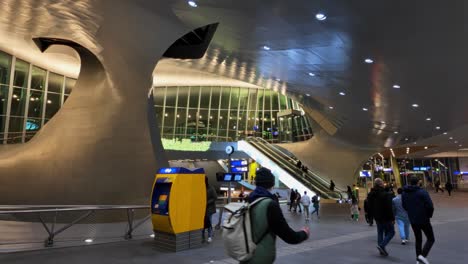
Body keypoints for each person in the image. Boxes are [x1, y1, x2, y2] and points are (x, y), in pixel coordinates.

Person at [243, 167, 309, 263]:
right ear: (271, 184)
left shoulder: (248, 200)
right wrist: (304, 233)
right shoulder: (270, 205)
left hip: (244, 254)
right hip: (260, 258)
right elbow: (288, 236)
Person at [403, 175, 435, 264]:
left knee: (418, 239)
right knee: (431, 238)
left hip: (413, 219)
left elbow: (404, 206)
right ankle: (422, 256)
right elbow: (430, 206)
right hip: (424, 219)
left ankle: (418, 259)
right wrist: (428, 215)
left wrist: (411, 213)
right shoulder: (422, 192)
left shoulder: (404, 193)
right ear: (418, 182)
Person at [368, 178, 395, 257]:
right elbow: (388, 207)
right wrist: (392, 218)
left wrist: (372, 215)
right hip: (386, 217)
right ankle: (382, 246)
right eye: (383, 183)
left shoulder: (371, 194)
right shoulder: (385, 194)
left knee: (380, 232)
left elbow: (369, 206)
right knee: (391, 232)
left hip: (377, 217)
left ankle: (381, 250)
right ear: (380, 184)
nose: (384, 184)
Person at [202, 176, 217, 243]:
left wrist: (207, 202)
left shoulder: (211, 188)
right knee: (202, 223)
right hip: (203, 209)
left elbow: (215, 197)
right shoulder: (201, 187)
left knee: (209, 222)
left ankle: (209, 236)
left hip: (209, 208)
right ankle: (202, 237)